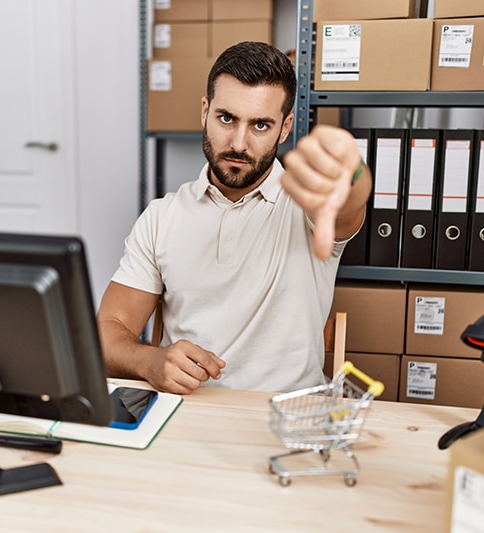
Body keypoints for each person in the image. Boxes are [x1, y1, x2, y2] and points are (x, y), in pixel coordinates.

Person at [96, 41, 372, 395]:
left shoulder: (306, 205)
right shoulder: (161, 217)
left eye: (260, 125)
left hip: (288, 419)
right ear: (205, 111)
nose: (239, 143)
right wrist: (149, 362)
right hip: (186, 414)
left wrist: (351, 172)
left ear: (285, 128)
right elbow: (107, 331)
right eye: (226, 118)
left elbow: (349, 202)